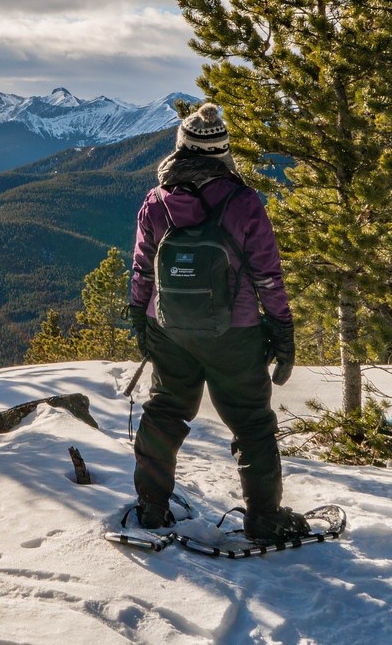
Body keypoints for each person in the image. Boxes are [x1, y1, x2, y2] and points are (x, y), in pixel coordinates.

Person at [127, 102, 305, 541]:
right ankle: (265, 518)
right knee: (251, 424)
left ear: (181, 148)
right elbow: (268, 275)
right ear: (223, 153)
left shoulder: (157, 200)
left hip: (169, 329)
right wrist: (282, 332)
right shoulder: (243, 202)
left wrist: (140, 321)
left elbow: (142, 268)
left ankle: (151, 508)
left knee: (165, 412)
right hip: (235, 332)